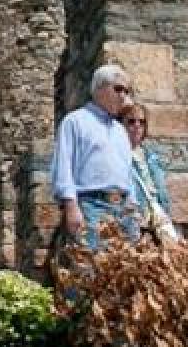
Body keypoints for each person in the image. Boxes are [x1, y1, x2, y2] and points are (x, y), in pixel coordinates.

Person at [51, 64, 140, 250]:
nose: (123, 95)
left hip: (124, 211)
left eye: (126, 90)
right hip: (91, 206)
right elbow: (63, 166)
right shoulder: (75, 121)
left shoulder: (120, 131)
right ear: (99, 88)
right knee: (90, 271)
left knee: (125, 275)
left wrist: (133, 205)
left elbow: (127, 172)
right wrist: (71, 206)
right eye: (118, 89)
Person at [120, 103, 179, 244]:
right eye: (131, 121)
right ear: (122, 125)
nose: (137, 126)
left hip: (157, 214)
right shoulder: (118, 155)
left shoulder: (151, 156)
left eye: (142, 122)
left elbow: (160, 189)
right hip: (134, 217)